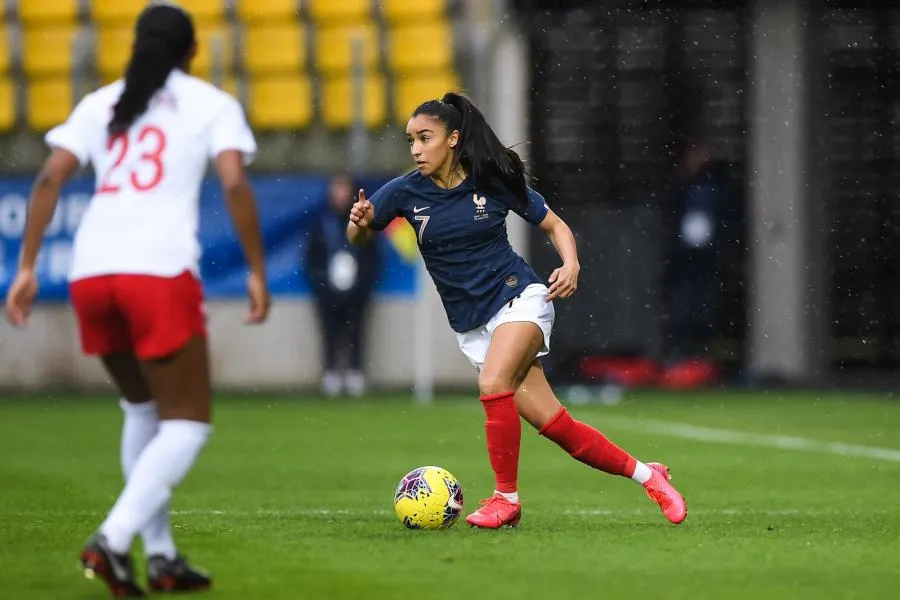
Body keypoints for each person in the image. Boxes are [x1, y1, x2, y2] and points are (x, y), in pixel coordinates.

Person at [3, 4, 269, 596]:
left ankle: (164, 558)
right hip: (156, 272)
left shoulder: (101, 103)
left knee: (143, 409)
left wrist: (25, 269)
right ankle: (113, 539)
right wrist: (256, 271)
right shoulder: (209, 104)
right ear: (192, 51)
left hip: (91, 272)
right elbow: (232, 181)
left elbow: (48, 179)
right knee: (188, 425)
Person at [348, 92, 687, 529]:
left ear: (452, 139)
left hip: (519, 298)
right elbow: (360, 235)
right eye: (410, 140)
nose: (415, 149)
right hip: (471, 327)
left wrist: (571, 263)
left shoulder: (492, 180)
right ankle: (649, 475)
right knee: (557, 425)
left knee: (493, 381)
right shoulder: (403, 192)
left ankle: (505, 498)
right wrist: (358, 223)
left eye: (424, 138)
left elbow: (554, 225)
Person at [305, 173, 379, 397]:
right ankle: (331, 373)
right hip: (328, 291)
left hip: (357, 291)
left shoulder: (364, 221)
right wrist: (323, 285)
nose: (340, 195)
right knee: (329, 330)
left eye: (344, 190)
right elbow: (311, 259)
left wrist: (361, 286)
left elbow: (372, 258)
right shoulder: (321, 222)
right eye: (336, 190)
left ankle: (355, 372)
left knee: (357, 329)